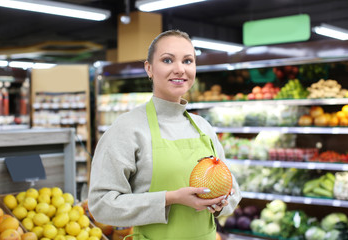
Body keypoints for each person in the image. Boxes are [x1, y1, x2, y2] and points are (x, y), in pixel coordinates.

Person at [88, 29, 241, 240]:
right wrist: (170, 198)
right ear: (149, 68)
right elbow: (102, 205)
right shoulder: (127, 128)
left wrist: (221, 202)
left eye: (188, 61)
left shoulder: (203, 127)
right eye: (168, 60)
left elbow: (232, 187)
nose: (180, 69)